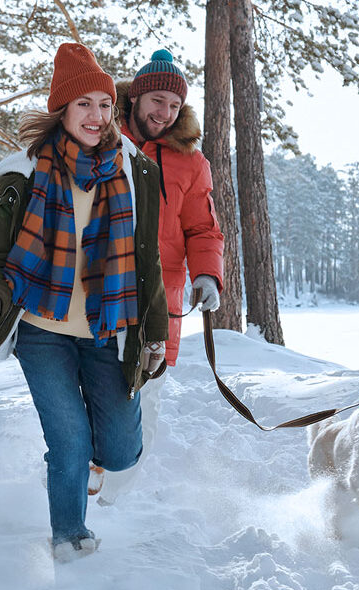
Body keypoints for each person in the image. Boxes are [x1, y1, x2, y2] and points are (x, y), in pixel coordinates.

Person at [0, 43, 168, 563]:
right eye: (84, 105)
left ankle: (97, 462)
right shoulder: (26, 175)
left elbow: (149, 264)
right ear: (63, 111)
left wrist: (155, 332)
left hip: (109, 328)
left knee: (119, 451)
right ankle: (69, 534)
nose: (97, 116)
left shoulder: (133, 171)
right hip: (42, 329)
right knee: (69, 437)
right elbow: (0, 255)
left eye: (104, 104)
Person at [95, 49, 225, 505]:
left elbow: (202, 228)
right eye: (157, 100)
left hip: (160, 304)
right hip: (99, 292)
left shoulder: (191, 161)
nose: (164, 113)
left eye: (174, 105)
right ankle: (81, 483)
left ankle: (110, 500)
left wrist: (207, 275)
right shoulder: (103, 139)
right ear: (136, 97)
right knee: (92, 389)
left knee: (143, 406)